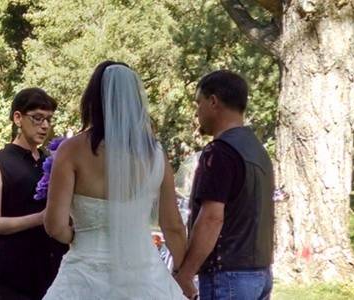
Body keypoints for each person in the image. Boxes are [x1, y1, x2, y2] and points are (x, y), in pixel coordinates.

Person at [42, 61, 193, 299]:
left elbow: (54, 225)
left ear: (92, 101)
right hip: (144, 277)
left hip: (83, 277)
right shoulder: (155, 156)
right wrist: (184, 276)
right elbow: (173, 226)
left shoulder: (72, 151)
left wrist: (79, 238)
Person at [174, 70, 275, 300]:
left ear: (213, 101)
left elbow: (212, 218)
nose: (197, 112)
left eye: (198, 103)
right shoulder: (258, 150)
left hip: (228, 274)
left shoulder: (220, 152)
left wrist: (186, 273)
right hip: (260, 271)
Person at [0, 88, 68, 300]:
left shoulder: (53, 161)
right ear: (18, 118)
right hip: (15, 273)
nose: (45, 125)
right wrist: (40, 218)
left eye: (48, 119)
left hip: (57, 270)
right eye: (37, 118)